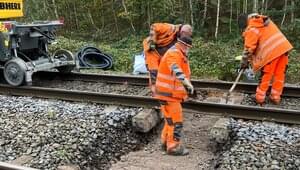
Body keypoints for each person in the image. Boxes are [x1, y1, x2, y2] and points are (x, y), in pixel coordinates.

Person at [238, 13, 293, 105]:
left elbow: (249, 49)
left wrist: (244, 61)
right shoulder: (263, 21)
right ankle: (275, 97)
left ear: (245, 24)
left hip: (271, 52)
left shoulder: (252, 28)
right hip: (283, 49)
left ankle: (259, 98)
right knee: (279, 74)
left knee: (266, 75)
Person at [155, 31, 193, 156]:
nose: (188, 50)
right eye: (188, 48)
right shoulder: (174, 53)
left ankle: (165, 142)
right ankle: (173, 147)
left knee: (169, 121)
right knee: (177, 121)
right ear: (184, 45)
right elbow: (175, 68)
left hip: (165, 94)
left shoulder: (176, 53)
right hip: (169, 95)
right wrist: (186, 82)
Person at [143, 23, 192, 95]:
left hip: (161, 51)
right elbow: (154, 26)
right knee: (154, 70)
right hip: (151, 49)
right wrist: (152, 41)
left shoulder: (178, 38)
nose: (185, 38)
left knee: (164, 70)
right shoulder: (169, 28)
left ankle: (164, 90)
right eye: (186, 36)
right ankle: (154, 91)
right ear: (183, 32)